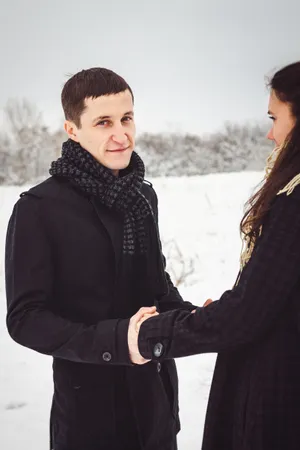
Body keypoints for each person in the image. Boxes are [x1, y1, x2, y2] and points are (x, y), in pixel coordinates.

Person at [5, 67, 197, 450]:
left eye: (126, 118)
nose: (121, 134)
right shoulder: (38, 209)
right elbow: (25, 319)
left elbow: (155, 286)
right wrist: (116, 340)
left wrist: (204, 318)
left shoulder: (143, 196)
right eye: (104, 122)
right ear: (72, 130)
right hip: (89, 417)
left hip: (156, 406)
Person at [130, 61, 300, 450]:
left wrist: (152, 335)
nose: (271, 133)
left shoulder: (295, 202)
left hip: (281, 394)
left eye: (276, 117)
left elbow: (250, 312)